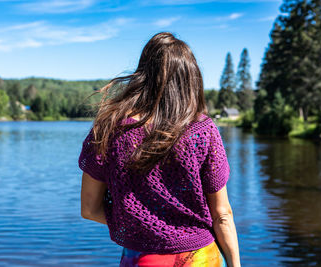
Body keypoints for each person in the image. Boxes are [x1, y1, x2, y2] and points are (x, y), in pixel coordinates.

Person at [79, 32, 241, 267]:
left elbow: (89, 209)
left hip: (142, 259)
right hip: (201, 259)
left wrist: (138, 224)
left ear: (143, 74)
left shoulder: (110, 130)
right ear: (190, 79)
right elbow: (222, 215)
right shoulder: (202, 131)